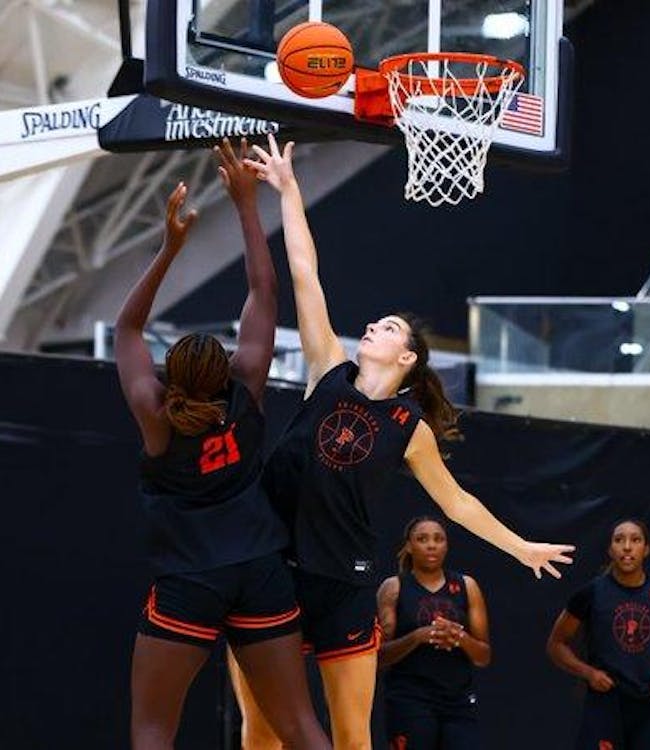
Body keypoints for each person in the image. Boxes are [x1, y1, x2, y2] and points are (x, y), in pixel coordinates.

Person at [229, 134, 574, 750]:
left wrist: (520, 547)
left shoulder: (409, 426)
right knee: (261, 734)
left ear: (406, 357)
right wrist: (288, 189)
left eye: (386, 327)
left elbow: (457, 503)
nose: (372, 325)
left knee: (352, 736)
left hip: (343, 581)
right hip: (270, 568)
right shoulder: (326, 370)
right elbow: (305, 274)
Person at [114, 139, 329, 750]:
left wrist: (170, 248)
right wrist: (244, 203)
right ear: (227, 366)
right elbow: (265, 292)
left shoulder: (155, 415)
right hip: (261, 570)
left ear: (168, 376)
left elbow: (128, 327)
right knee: (299, 725)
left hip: (191, 577)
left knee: (154, 730)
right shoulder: (247, 389)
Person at [546, 520, 650, 750]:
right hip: (605, 703)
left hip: (648, 703)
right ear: (610, 549)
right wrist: (589, 673)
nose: (627, 546)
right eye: (619, 540)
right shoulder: (592, 593)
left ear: (646, 549)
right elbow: (556, 644)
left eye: (635, 540)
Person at [376, 517, 491, 749]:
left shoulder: (467, 585)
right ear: (409, 546)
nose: (431, 545)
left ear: (446, 545)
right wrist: (418, 637)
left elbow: (484, 656)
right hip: (409, 699)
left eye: (438, 539)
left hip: (458, 701)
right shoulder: (394, 587)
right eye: (422, 539)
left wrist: (459, 638)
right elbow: (378, 657)